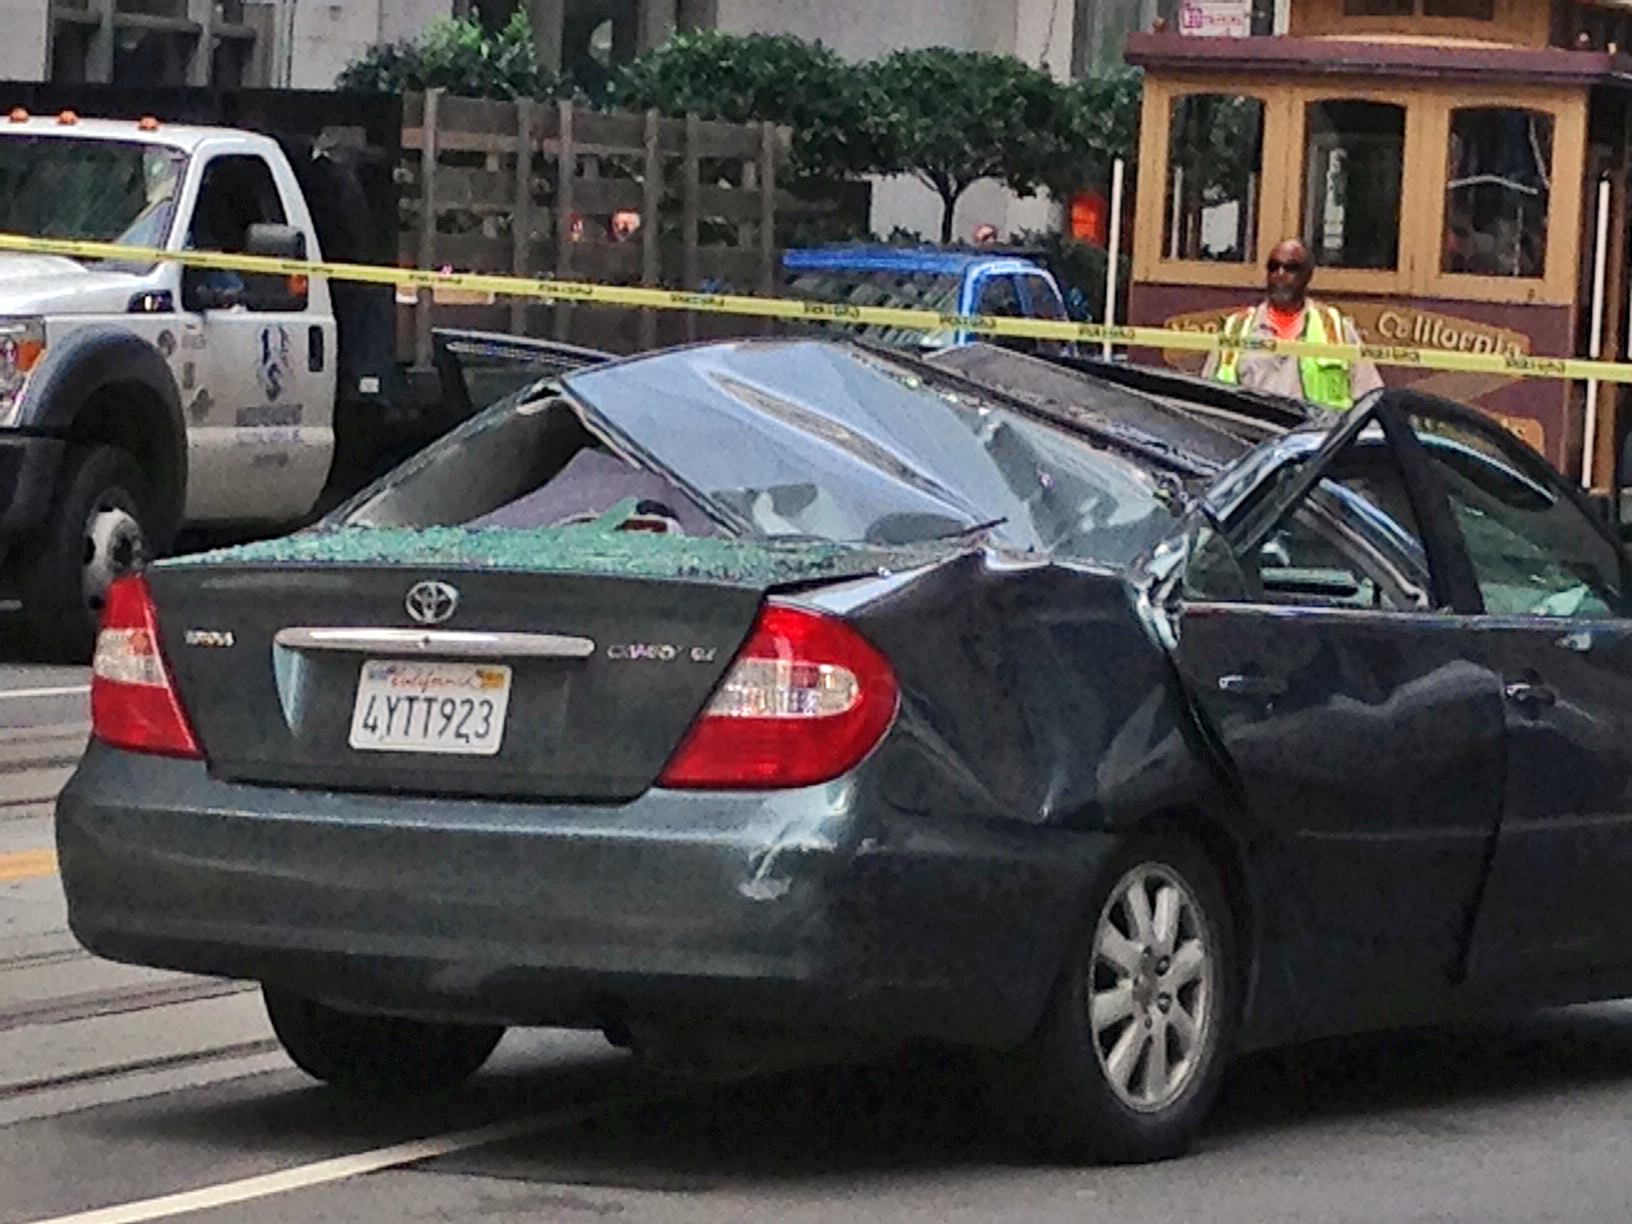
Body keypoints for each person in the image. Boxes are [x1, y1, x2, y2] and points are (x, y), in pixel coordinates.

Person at [1203, 239, 1382, 411]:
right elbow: (1208, 397)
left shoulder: (1335, 329)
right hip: (1249, 437)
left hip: (1317, 438)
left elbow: (1370, 398)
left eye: (1291, 268)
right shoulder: (1235, 329)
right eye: (1274, 267)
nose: (1280, 275)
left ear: (1308, 275)